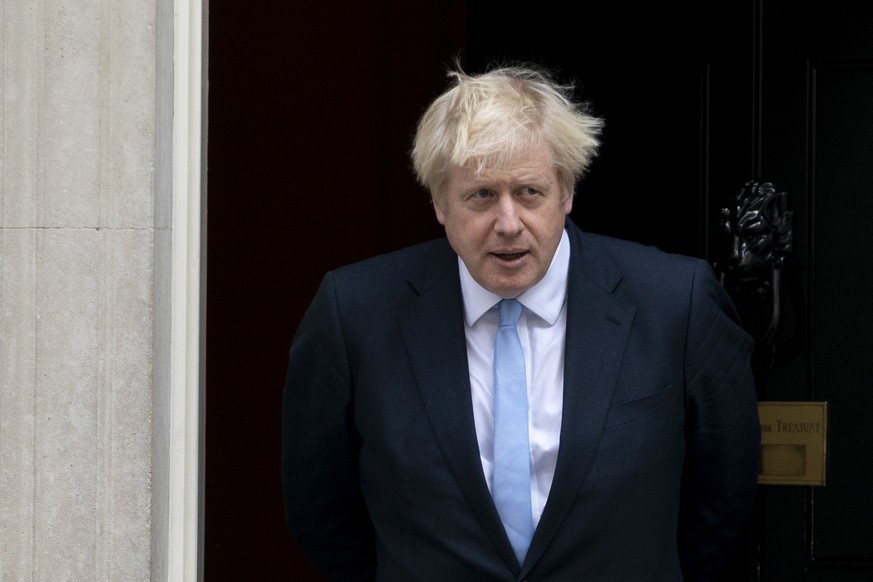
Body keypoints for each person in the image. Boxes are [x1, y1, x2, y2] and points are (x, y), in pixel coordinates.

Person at [281, 64, 761, 581]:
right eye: (481, 195)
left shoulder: (675, 303)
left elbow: (723, 497)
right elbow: (320, 509)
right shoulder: (355, 313)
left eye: (529, 192)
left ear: (566, 193)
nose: (508, 223)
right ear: (440, 203)